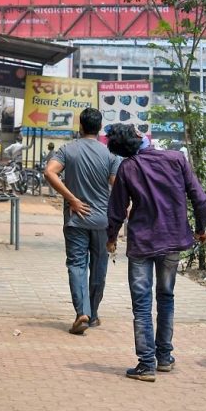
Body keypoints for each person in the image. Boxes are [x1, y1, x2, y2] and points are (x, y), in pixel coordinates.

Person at [105, 123, 206, 382]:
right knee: (166, 297)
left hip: (142, 243)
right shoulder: (176, 159)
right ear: (137, 137)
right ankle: (164, 357)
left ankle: (146, 364)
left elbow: (116, 209)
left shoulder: (128, 167)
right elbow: (201, 199)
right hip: (172, 240)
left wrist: (111, 238)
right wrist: (201, 228)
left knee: (141, 304)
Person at [44, 108, 121, 335]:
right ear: (100, 128)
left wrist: (72, 200)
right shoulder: (110, 155)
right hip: (102, 221)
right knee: (99, 268)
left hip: (76, 220)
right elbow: (118, 189)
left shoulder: (67, 149)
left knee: (77, 265)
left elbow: (49, 172)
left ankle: (82, 313)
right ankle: (92, 314)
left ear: (80, 126)